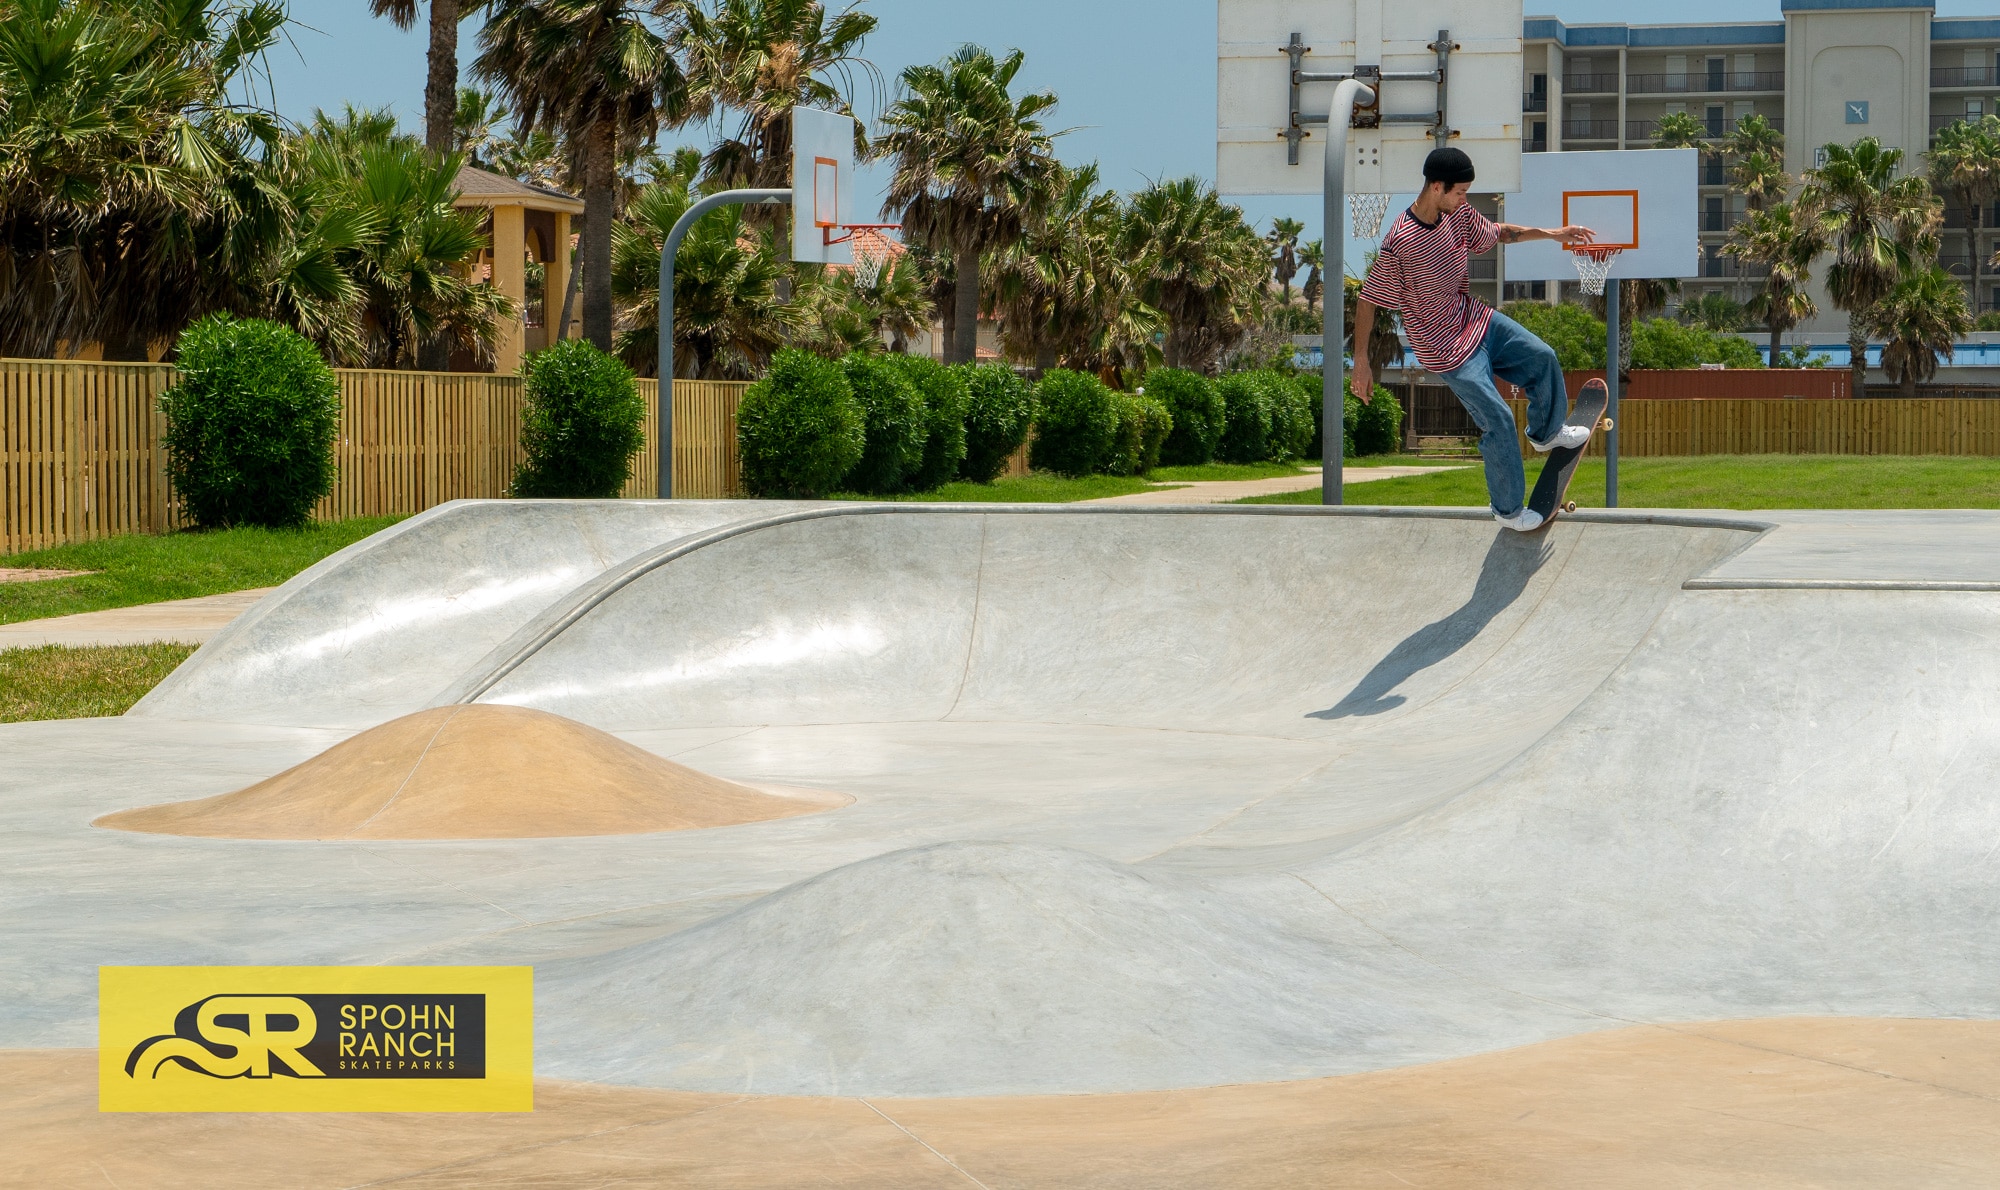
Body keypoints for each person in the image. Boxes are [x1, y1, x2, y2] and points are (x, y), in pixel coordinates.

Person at [1352, 147, 1595, 531]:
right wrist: (1361, 362)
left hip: (1475, 319)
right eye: (1460, 192)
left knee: (1542, 357)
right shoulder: (1400, 241)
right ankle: (1508, 510)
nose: (1465, 199)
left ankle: (1547, 433)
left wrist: (1554, 234)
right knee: (1497, 418)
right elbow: (1368, 300)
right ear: (1437, 187)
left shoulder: (1459, 215)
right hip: (1444, 350)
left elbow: (1502, 233)